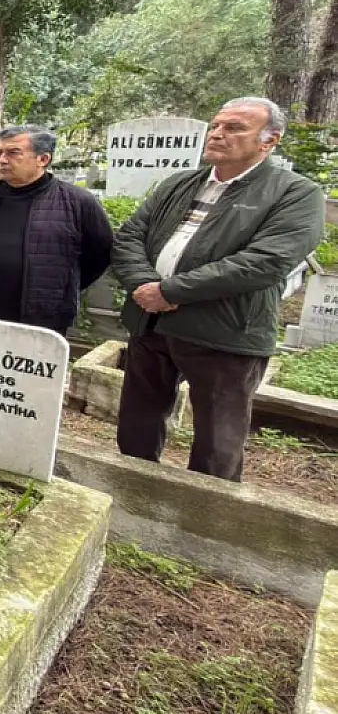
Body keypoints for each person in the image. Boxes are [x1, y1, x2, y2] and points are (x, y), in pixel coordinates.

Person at [111, 97, 324, 482]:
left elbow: (265, 261)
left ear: (269, 141)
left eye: (235, 128)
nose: (218, 134)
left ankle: (205, 518)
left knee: (217, 440)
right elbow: (130, 237)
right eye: (216, 125)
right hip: (151, 323)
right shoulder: (180, 183)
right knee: (137, 423)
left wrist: (171, 291)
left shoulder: (295, 193)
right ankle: (133, 493)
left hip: (225, 332)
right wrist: (144, 284)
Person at [0, 125, 113, 335]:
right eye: (0, 152)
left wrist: (61, 288)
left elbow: (100, 254)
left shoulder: (77, 202)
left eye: (13, 153)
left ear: (43, 160)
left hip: (43, 320)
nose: (2, 160)